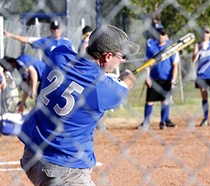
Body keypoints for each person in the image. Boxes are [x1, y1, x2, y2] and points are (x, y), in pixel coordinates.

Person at [18, 25, 140, 186]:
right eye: (121, 56)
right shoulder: (106, 89)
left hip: (31, 157)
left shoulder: (58, 56)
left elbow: (72, 55)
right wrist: (127, 76)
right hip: (65, 169)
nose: (123, 60)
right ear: (107, 56)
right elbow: (126, 84)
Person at [138, 22, 179, 130]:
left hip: (167, 79)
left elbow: (175, 65)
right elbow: (147, 63)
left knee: (165, 100)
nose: (161, 36)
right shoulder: (151, 45)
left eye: (163, 33)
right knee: (149, 100)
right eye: (159, 33)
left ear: (167, 35)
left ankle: (163, 122)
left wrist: (173, 80)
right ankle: (146, 122)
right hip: (153, 78)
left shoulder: (171, 47)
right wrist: (147, 77)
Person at [4, 20, 74, 61]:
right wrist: (10, 35)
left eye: (57, 28)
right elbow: (27, 39)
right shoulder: (45, 40)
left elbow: (73, 56)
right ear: (50, 30)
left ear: (61, 30)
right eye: (54, 29)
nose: (56, 31)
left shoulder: (67, 41)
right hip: (49, 70)